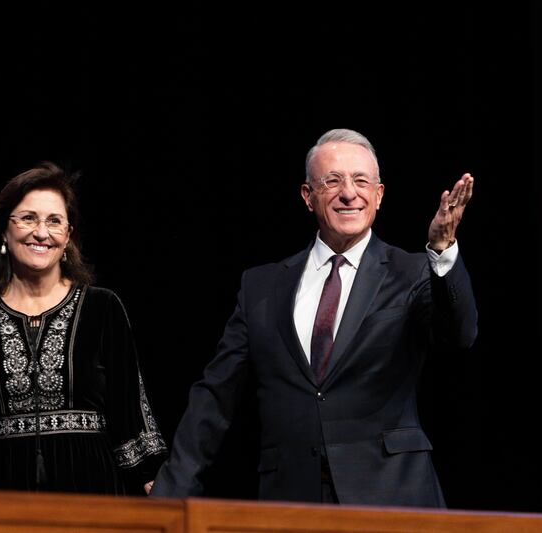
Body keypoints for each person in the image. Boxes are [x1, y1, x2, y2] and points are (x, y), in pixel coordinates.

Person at [151, 129, 477, 506]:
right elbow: (215, 396)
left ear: (379, 195)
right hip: (292, 501)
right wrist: (169, 494)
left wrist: (442, 250)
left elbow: (459, 334)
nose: (349, 193)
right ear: (308, 196)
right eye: (332, 181)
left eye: (360, 181)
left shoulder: (413, 272)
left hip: (391, 497)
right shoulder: (262, 287)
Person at [0, 161, 166, 494]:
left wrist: (155, 483)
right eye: (28, 218)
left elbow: (131, 413)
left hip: (91, 494)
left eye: (54, 221)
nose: (41, 232)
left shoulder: (102, 308)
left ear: (68, 237)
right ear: (4, 230)